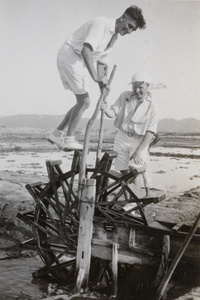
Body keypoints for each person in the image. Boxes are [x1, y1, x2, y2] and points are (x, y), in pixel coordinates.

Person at [48, 5, 146, 151]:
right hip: (71, 55)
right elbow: (86, 50)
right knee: (85, 102)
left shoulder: (114, 37)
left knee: (82, 102)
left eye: (133, 30)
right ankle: (69, 139)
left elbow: (101, 62)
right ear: (123, 17)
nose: (129, 31)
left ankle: (56, 134)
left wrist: (103, 86)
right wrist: (96, 77)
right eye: (130, 26)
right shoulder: (103, 24)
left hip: (78, 61)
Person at [102, 72, 159, 196]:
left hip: (139, 140)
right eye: (134, 87)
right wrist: (105, 107)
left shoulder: (153, 106)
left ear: (147, 86)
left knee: (135, 170)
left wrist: (139, 151)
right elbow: (112, 113)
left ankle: (134, 202)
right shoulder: (125, 96)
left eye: (140, 88)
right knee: (123, 170)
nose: (137, 90)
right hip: (121, 136)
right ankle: (131, 201)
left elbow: (150, 132)